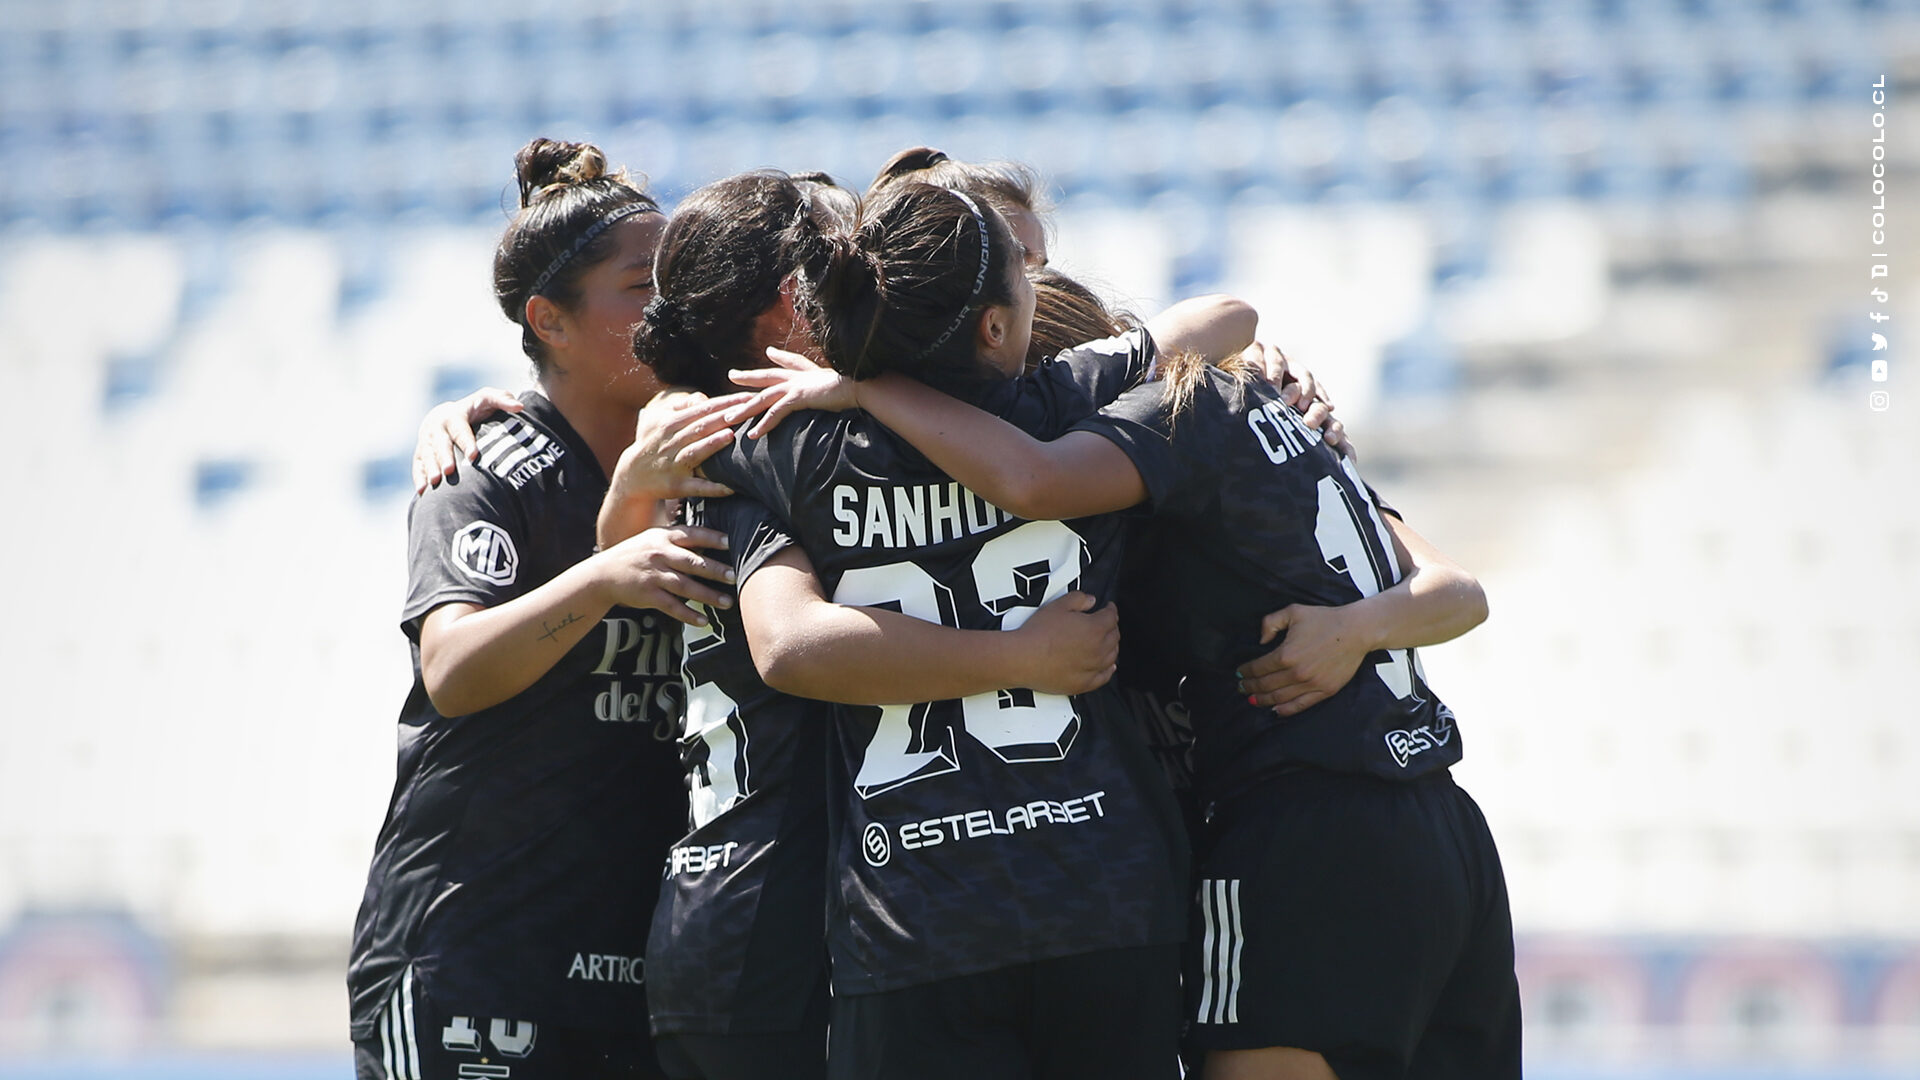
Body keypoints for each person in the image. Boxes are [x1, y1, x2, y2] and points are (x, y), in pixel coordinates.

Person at [734, 227, 1515, 1080]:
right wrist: (1362, 625)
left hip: (1299, 829)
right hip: (1443, 825)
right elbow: (1459, 588)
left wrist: (867, 391)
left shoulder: (1158, 423)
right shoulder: (1276, 419)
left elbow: (1029, 479)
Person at [691, 179, 1280, 1080]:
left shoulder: (787, 447)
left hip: (910, 918)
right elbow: (1226, 319)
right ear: (996, 330)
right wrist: (1021, 657)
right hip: (1101, 894)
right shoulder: (1061, 401)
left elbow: (790, 643)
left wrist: (863, 390)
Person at [348, 138, 742, 1080]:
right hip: (474, 965)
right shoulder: (484, 470)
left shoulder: (723, 461)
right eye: (641, 288)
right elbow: (451, 670)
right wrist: (605, 576)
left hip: (636, 979)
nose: (670, 312)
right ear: (548, 321)